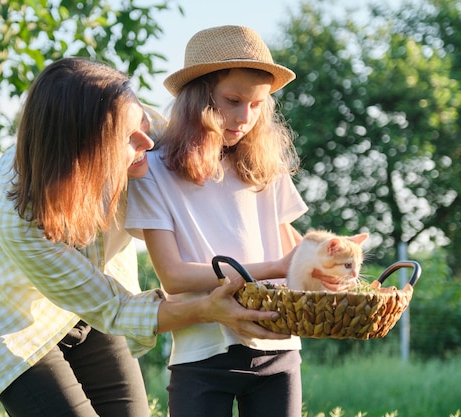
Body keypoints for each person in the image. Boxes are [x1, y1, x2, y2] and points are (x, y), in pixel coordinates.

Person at [0, 57, 287, 417]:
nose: (149, 140)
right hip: (17, 326)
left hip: (93, 308)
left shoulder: (137, 132)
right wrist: (207, 309)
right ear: (84, 153)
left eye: (142, 120)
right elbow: (116, 309)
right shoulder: (19, 218)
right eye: (128, 139)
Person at [125, 26, 309, 417]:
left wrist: (328, 261)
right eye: (233, 100)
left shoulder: (264, 168)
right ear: (198, 97)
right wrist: (272, 267)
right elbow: (173, 276)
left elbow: (294, 250)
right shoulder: (152, 170)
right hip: (202, 353)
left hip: (277, 347)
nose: (245, 117)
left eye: (258, 104)